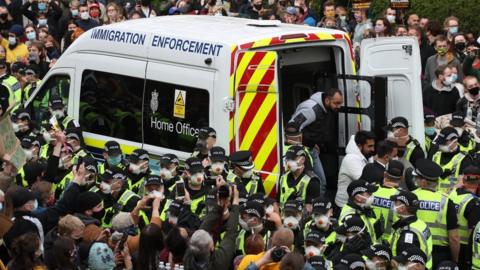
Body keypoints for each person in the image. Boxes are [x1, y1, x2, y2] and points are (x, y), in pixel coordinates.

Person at [289, 88, 343, 196]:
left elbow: (311, 129)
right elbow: (292, 128)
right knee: (318, 183)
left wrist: (313, 143)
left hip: (311, 149)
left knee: (320, 182)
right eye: (336, 103)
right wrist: (299, 152)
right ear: (327, 100)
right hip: (303, 152)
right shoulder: (311, 109)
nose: (339, 106)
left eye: (340, 103)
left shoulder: (324, 109)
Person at [412, 159, 459, 267]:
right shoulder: (446, 201)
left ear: (423, 182)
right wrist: (455, 260)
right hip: (440, 256)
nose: (415, 180)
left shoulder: (410, 197)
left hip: (414, 251)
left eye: (417, 178)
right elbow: (454, 238)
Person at [183, 184, 240, 270]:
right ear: (212, 247)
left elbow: (204, 228)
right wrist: (235, 202)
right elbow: (231, 234)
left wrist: (218, 207)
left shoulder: (188, 259)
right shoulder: (218, 262)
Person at [389, 190, 432, 269]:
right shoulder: (420, 223)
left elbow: (405, 263)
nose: (394, 205)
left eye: (396, 203)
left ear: (402, 208)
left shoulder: (408, 233)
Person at [448, 166, 480, 269]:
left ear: (463, 179)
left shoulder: (451, 194)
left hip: (448, 244)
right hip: (464, 249)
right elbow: (473, 233)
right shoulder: (474, 203)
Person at [336, 130, 376, 208]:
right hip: (344, 206)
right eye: (370, 146)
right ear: (359, 146)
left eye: (373, 146)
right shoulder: (351, 159)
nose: (373, 149)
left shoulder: (366, 156)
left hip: (357, 202)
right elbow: (366, 182)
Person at [277, 145, 320, 209]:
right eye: (287, 159)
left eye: (292, 159)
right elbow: (278, 202)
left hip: (300, 218)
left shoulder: (312, 181)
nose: (289, 162)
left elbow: (310, 210)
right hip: (282, 216)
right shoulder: (283, 177)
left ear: (302, 160)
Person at [371, 160, 404, 242]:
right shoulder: (403, 197)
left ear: (385, 174)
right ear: (402, 178)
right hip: (391, 242)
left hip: (370, 240)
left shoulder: (370, 190)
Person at [338, 179, 380, 244]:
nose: (372, 196)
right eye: (369, 193)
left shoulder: (364, 209)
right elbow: (355, 244)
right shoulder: (351, 216)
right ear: (358, 198)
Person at [431, 127, 472, 192]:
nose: (441, 145)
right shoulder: (435, 155)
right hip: (435, 198)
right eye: (440, 142)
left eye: (444, 143)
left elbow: (465, 184)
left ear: (455, 141)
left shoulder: (464, 159)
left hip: (453, 198)